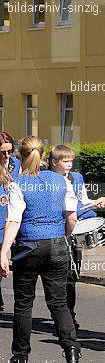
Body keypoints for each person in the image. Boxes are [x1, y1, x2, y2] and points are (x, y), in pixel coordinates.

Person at [0, 137, 81, 363]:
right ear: (44, 156)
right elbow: (72, 217)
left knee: (23, 304)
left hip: (28, 247)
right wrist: (63, 237)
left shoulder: (18, 183)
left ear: (21, 156)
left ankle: (20, 357)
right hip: (57, 246)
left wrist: (3, 252)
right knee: (58, 303)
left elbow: (13, 220)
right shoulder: (61, 181)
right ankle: (72, 350)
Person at [48, 144, 105, 331]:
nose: (69, 164)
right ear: (54, 162)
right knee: (59, 277)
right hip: (56, 232)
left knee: (72, 275)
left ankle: (70, 313)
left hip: (73, 232)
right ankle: (61, 315)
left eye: (71, 160)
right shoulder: (48, 179)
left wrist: (95, 204)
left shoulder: (77, 178)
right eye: (65, 161)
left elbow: (82, 201)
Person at [0, 132, 20, 313]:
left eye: (10, 151)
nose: (7, 156)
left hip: (11, 218)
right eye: (3, 152)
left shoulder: (16, 164)